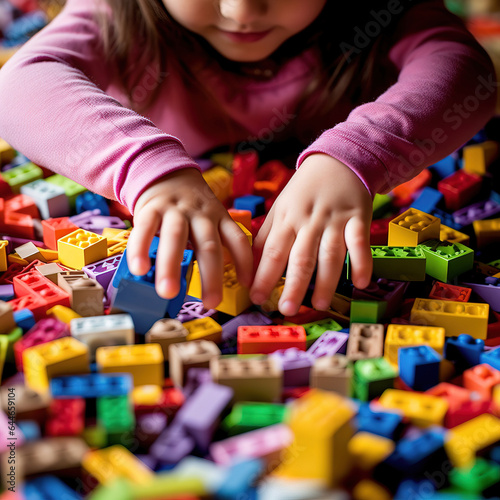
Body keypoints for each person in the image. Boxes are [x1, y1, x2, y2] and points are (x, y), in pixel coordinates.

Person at [0, 0, 496, 317]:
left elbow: (468, 71)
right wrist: (146, 168)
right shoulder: (116, 11)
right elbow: (19, 85)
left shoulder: (384, 14)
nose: (241, 10)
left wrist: (355, 157)